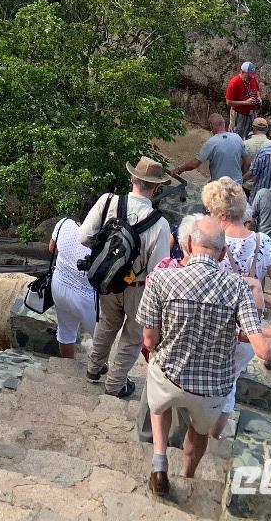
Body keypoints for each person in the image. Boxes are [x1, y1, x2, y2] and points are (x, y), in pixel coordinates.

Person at [139, 216, 271, 498]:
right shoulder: (238, 287)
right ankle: (187, 476)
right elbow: (261, 348)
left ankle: (159, 461)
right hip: (211, 390)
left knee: (159, 401)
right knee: (198, 431)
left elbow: (149, 340)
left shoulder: (161, 278)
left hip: (168, 377)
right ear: (221, 253)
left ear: (191, 245)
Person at [202, 178, 271, 434]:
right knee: (229, 383)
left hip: (210, 325)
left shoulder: (209, 240)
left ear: (218, 212)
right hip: (247, 334)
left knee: (201, 375)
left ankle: (195, 429)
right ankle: (214, 435)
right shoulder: (262, 242)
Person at [79, 157, 173, 398]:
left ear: (132, 178)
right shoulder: (160, 224)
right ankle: (115, 384)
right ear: (156, 187)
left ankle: (94, 368)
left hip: (107, 279)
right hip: (138, 287)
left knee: (107, 323)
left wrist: (106, 258)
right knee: (132, 336)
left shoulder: (107, 201)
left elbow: (84, 237)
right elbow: (157, 269)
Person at [48, 215, 96, 359]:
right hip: (87, 296)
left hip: (60, 286)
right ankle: (97, 367)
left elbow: (52, 248)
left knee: (65, 331)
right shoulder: (99, 238)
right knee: (101, 336)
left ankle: (67, 366)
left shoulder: (63, 223)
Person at [176, 114, 247, 183]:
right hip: (237, 185)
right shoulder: (237, 137)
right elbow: (247, 162)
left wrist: (179, 169)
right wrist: (241, 178)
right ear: (224, 124)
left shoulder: (212, 142)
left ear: (211, 126)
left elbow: (194, 164)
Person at [225, 62, 261, 137]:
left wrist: (259, 98)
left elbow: (257, 90)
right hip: (238, 113)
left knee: (251, 134)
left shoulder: (252, 79)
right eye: (249, 75)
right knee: (236, 134)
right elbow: (228, 102)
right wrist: (245, 102)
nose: (251, 77)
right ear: (242, 72)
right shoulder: (234, 83)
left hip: (252, 113)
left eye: (252, 75)